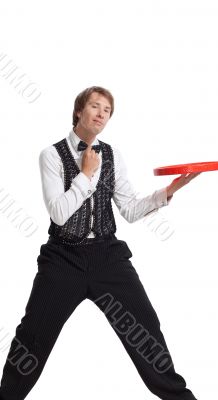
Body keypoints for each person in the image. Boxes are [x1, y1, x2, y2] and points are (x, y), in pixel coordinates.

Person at [0, 86, 200, 400]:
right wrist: (85, 175)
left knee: (145, 330)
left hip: (108, 256)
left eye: (107, 110)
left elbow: (130, 209)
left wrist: (171, 189)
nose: (101, 113)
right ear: (79, 110)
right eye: (95, 106)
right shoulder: (51, 155)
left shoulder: (113, 155)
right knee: (32, 336)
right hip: (63, 258)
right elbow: (59, 213)